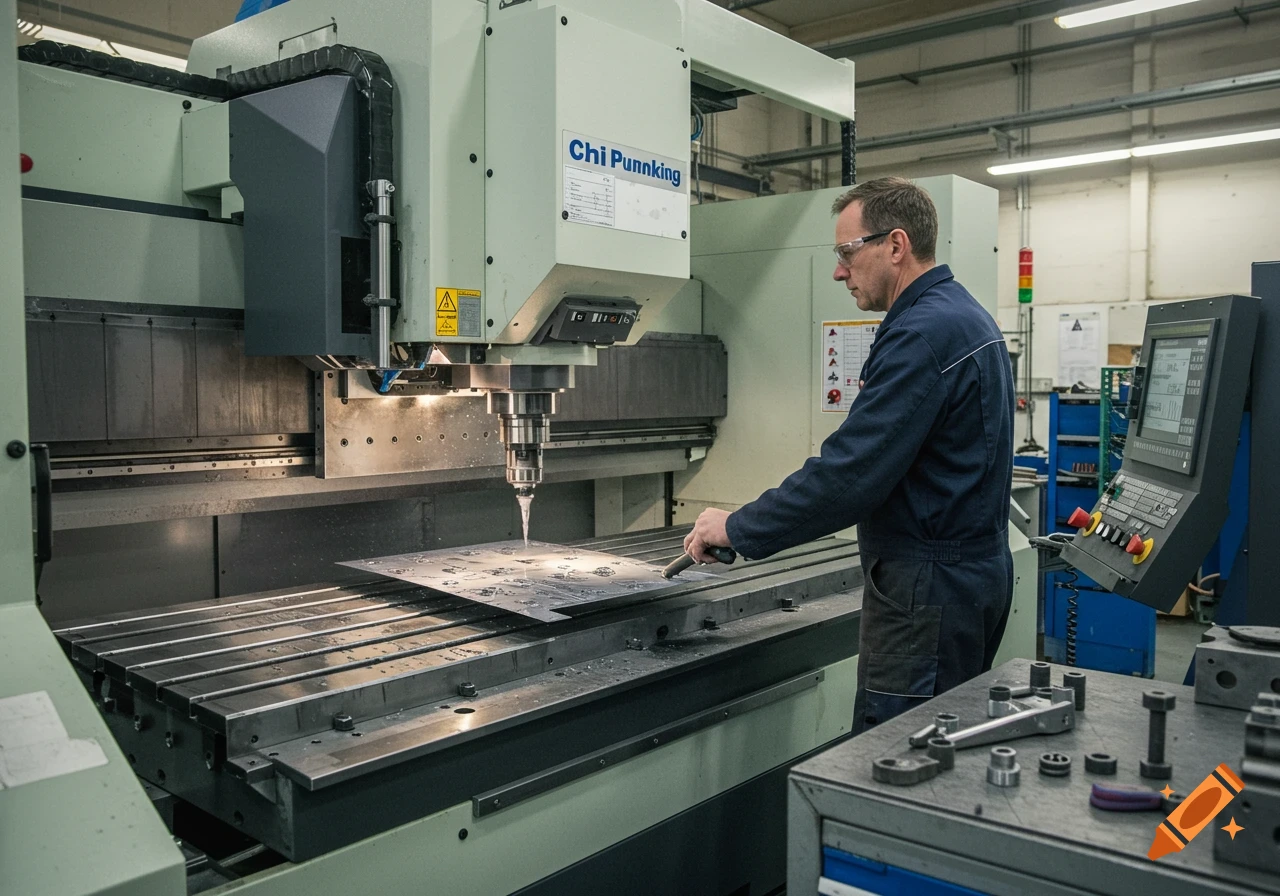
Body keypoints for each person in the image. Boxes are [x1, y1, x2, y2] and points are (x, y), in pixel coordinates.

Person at [683, 176, 1015, 734]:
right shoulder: (964, 317)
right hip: (967, 580)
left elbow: (850, 476)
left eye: (846, 252)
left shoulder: (920, 334)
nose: (839, 271)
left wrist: (737, 527)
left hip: (926, 593)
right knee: (942, 749)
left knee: (898, 760)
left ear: (895, 245)